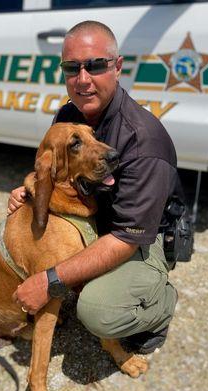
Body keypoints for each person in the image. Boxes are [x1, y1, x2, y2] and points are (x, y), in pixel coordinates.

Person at [9, 21, 178, 354]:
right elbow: (55, 170)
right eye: (72, 68)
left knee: (96, 310)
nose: (82, 79)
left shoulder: (143, 140)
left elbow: (126, 238)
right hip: (102, 222)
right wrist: (28, 190)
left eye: (95, 65)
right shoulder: (70, 115)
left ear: (117, 68)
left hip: (141, 234)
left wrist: (51, 280)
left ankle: (159, 304)